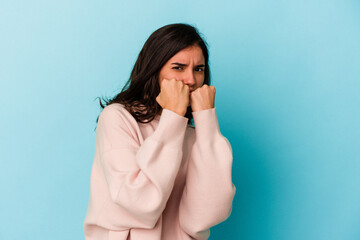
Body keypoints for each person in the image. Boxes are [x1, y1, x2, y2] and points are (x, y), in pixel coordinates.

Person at [83, 23, 236, 240]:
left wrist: (207, 122)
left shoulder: (196, 136)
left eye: (198, 69)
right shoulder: (118, 118)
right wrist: (173, 117)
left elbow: (206, 216)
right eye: (178, 67)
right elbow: (140, 201)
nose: (191, 80)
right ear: (154, 70)